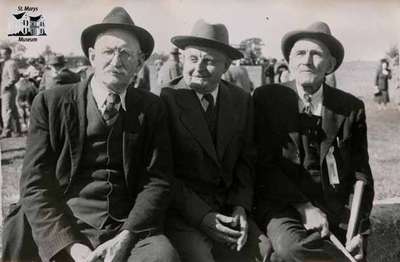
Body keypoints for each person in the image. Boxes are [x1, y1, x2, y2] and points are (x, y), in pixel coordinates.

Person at [2, 7, 179, 262]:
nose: (116, 61)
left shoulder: (152, 108)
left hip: (127, 225)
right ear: (92, 57)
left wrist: (127, 234)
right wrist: (71, 246)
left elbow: (158, 180)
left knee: (163, 257)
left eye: (126, 54)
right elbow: (35, 184)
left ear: (139, 63)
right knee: (22, 239)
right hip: (64, 219)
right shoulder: (51, 103)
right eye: (108, 52)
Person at [253, 21, 374, 262]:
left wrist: (360, 232)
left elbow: (361, 175)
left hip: (332, 208)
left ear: (330, 65)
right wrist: (304, 206)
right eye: (300, 53)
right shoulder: (267, 98)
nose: (306, 61)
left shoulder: (350, 108)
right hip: (283, 205)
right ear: (289, 61)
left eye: (316, 54)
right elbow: (262, 165)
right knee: (291, 250)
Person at [161, 19, 271, 262]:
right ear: (183, 59)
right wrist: (203, 217)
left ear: (227, 66)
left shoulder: (241, 101)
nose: (198, 67)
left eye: (209, 60)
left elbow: (246, 160)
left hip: (227, 209)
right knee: (202, 257)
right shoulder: (165, 101)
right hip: (183, 214)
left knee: (264, 252)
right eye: (192, 59)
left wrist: (240, 207)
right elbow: (162, 173)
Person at [1, 46, 22, 138]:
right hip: (4, 89)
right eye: (1, 53)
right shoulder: (3, 63)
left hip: (8, 90)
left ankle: (7, 131)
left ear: (9, 53)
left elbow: (15, 77)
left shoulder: (11, 63)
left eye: (4, 53)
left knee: (7, 110)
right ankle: (17, 130)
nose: (2, 54)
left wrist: (7, 86)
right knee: (13, 110)